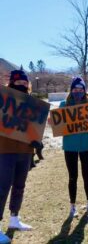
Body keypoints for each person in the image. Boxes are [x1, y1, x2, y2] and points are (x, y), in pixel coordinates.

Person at [0, 70, 43, 242]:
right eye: (18, 82)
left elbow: (34, 129)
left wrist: (38, 142)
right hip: (4, 150)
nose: (22, 85)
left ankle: (14, 219)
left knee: (19, 186)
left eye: (25, 83)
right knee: (2, 187)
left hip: (25, 151)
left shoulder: (32, 104)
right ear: (11, 83)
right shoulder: (2, 100)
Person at [58, 77, 88, 218]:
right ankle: (72, 205)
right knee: (72, 176)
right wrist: (52, 122)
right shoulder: (64, 104)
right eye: (75, 89)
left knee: (87, 174)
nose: (78, 92)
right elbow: (57, 124)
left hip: (86, 144)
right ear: (71, 90)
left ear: (84, 90)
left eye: (81, 89)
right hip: (70, 146)